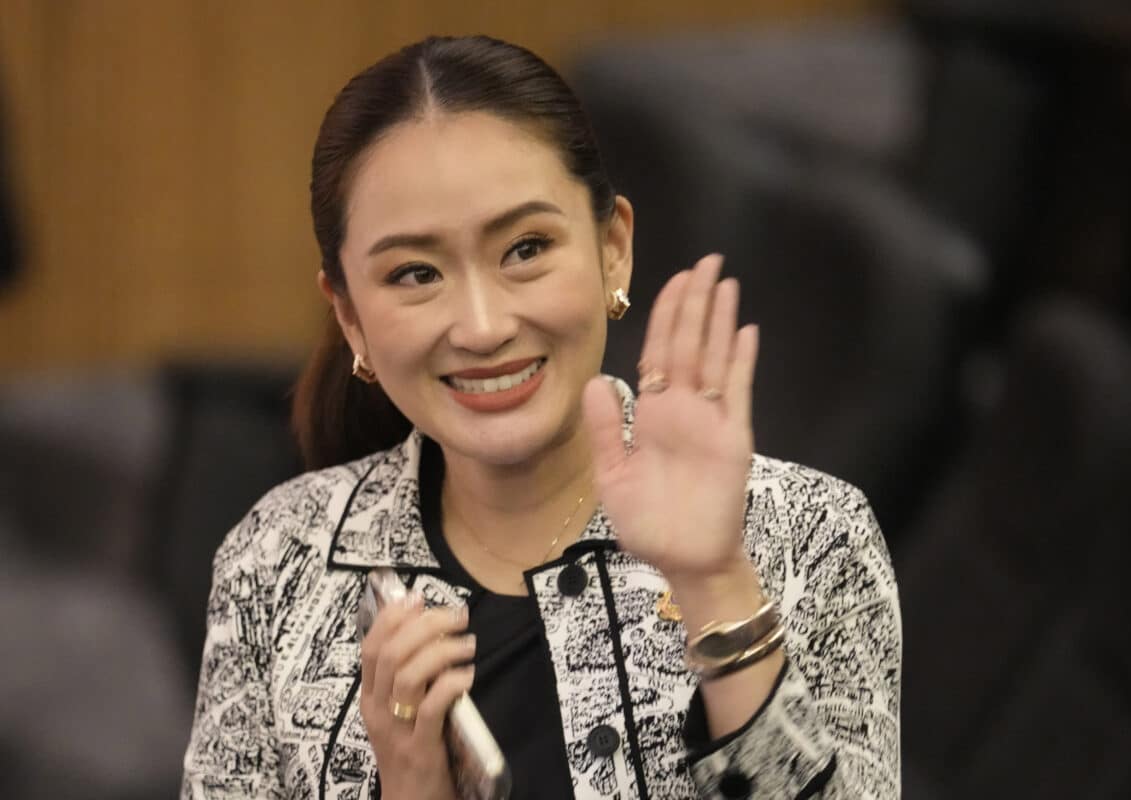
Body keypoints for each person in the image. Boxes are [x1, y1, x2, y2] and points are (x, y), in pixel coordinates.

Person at [181, 35, 900, 800]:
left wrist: (715, 585)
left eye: (525, 248)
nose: (483, 325)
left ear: (613, 249)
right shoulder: (274, 565)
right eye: (415, 274)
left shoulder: (809, 536)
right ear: (351, 317)